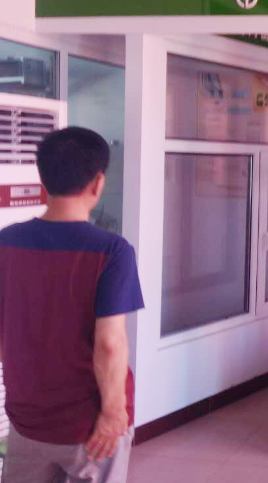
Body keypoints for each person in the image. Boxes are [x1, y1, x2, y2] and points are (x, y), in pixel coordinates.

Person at [0, 127, 144, 482]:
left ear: (43, 179)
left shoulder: (5, 243)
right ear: (98, 183)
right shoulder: (112, 251)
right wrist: (113, 413)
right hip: (90, 425)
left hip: (27, 418)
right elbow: (110, 343)